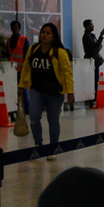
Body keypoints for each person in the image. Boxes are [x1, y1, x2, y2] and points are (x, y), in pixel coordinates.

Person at [19, 22, 74, 159]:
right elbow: (26, 68)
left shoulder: (60, 52)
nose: (44, 35)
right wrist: (21, 86)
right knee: (34, 116)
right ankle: (38, 144)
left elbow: (67, 73)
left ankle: (52, 148)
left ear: (54, 36)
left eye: (48, 33)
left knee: (53, 120)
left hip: (54, 92)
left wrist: (70, 92)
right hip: (36, 90)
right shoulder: (33, 49)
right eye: (43, 32)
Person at [81, 18, 104, 104]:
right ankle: (92, 97)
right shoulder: (86, 37)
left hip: (96, 59)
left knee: (96, 79)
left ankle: (95, 97)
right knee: (93, 79)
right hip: (91, 60)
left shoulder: (92, 36)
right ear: (87, 27)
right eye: (91, 25)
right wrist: (101, 36)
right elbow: (95, 46)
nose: (93, 26)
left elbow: (99, 46)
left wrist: (97, 47)